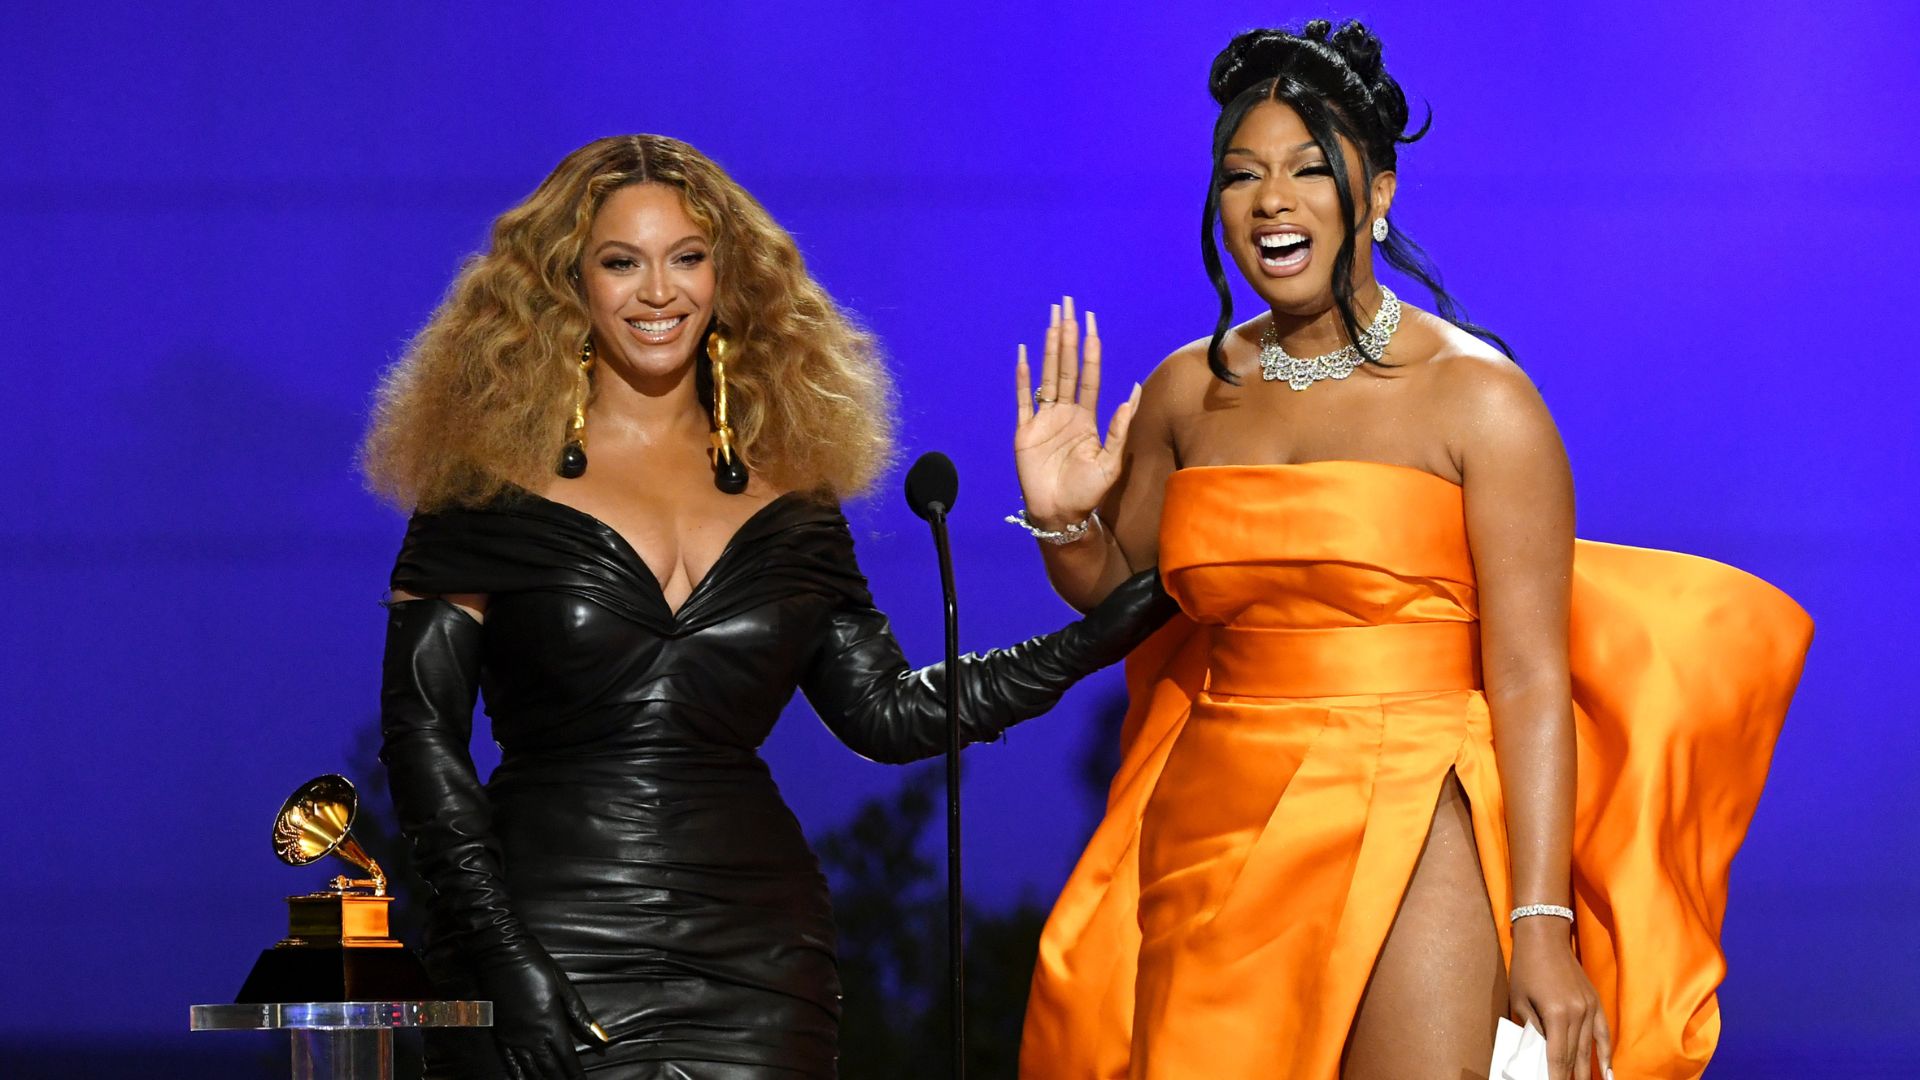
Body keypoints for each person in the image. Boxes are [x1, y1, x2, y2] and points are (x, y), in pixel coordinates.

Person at [1007, 22, 1811, 1080]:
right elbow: (1118, 602)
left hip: (1415, 795)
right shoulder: (1183, 393)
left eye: (1308, 170)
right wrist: (1067, 519)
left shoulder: (1478, 398)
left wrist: (1542, 926)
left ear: (1377, 195)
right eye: (1243, 175)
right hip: (1215, 818)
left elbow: (1528, 677)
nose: (1272, 200)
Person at [359, 134, 1176, 1080]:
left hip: (758, 957)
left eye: (688, 259)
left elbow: (888, 713)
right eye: (621, 262)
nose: (658, 292)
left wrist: (1095, 636)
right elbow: (422, 745)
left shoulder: (793, 490)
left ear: (727, 276)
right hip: (546, 932)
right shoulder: (483, 486)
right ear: (566, 284)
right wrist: (498, 956)